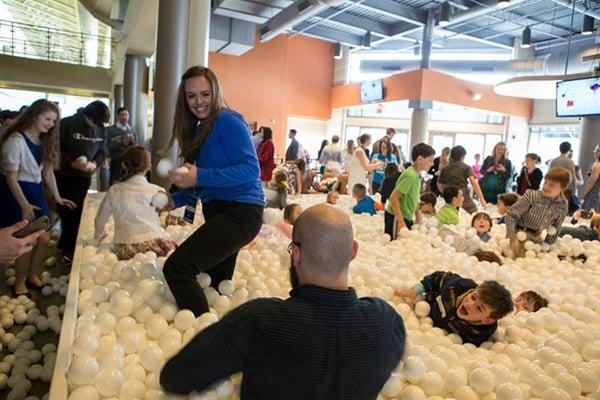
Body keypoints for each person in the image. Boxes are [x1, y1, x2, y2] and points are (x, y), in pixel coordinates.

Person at [160, 204, 406, 399]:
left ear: (295, 253)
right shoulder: (387, 323)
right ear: (353, 251)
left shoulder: (259, 322)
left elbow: (176, 377)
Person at [163, 66, 264, 316]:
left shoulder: (227, 120)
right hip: (220, 213)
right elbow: (202, 185)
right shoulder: (200, 130)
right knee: (216, 287)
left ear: (215, 93)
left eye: (205, 94)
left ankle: (203, 333)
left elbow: (252, 169)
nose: (198, 101)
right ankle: (218, 331)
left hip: (241, 212)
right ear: (184, 100)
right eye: (191, 96)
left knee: (177, 268)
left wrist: (200, 175)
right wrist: (171, 200)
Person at [0, 99, 77, 296]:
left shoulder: (44, 142)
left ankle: (32, 275)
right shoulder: (15, 141)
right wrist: (24, 204)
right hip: (17, 194)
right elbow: (11, 177)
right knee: (26, 242)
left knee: (44, 238)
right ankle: (19, 282)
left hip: (36, 192)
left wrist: (58, 197)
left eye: (54, 121)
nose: (51, 124)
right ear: (34, 116)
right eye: (48, 119)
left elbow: (48, 172)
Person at [94, 147, 176, 259]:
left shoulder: (115, 190)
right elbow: (168, 215)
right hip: (155, 245)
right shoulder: (157, 190)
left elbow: (100, 218)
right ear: (149, 166)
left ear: (123, 165)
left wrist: (99, 236)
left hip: (126, 247)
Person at [394, 271, 513, 346]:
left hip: (433, 337)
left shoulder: (481, 331)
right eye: (473, 297)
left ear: (487, 320)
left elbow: (468, 346)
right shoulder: (457, 286)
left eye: (479, 308)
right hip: (424, 306)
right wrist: (415, 291)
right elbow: (436, 278)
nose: (469, 304)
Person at [55, 100, 109, 262]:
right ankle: (68, 248)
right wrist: (71, 162)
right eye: (94, 122)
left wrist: (95, 163)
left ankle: (67, 243)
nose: (95, 126)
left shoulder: (100, 128)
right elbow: (55, 149)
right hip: (66, 175)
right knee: (68, 212)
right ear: (88, 115)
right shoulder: (68, 124)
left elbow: (102, 152)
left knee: (78, 211)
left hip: (84, 177)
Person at [505, 168, 570, 257]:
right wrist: (512, 237)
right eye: (545, 183)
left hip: (536, 238)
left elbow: (556, 226)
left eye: (551, 185)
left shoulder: (563, 204)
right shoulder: (532, 196)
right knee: (520, 258)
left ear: (562, 188)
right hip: (519, 234)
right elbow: (511, 215)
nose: (545, 187)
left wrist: (547, 245)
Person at [385, 143, 435, 239]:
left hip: (404, 215)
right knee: (394, 243)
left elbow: (414, 197)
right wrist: (400, 222)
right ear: (420, 159)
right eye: (430, 161)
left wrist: (417, 214)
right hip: (395, 215)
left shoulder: (417, 175)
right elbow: (394, 198)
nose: (432, 164)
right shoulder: (410, 175)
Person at [438, 145, 487, 213]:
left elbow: (440, 184)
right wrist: (481, 198)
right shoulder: (466, 167)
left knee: (451, 213)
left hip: (449, 197)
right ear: (462, 156)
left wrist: (446, 194)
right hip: (463, 196)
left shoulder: (444, 168)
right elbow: (473, 181)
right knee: (473, 211)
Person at [105, 106, 136, 185]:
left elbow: (135, 144)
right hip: (115, 160)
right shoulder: (110, 130)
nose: (124, 117)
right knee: (114, 182)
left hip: (129, 161)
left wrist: (131, 143)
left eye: (126, 115)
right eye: (122, 115)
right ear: (118, 116)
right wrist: (121, 143)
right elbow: (106, 145)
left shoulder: (132, 130)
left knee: (127, 183)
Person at [549, 142, 578, 213]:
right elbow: (572, 178)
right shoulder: (570, 162)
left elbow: (549, 175)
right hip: (565, 189)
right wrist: (574, 191)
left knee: (552, 209)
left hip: (554, 188)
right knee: (563, 210)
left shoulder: (553, 161)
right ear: (569, 150)